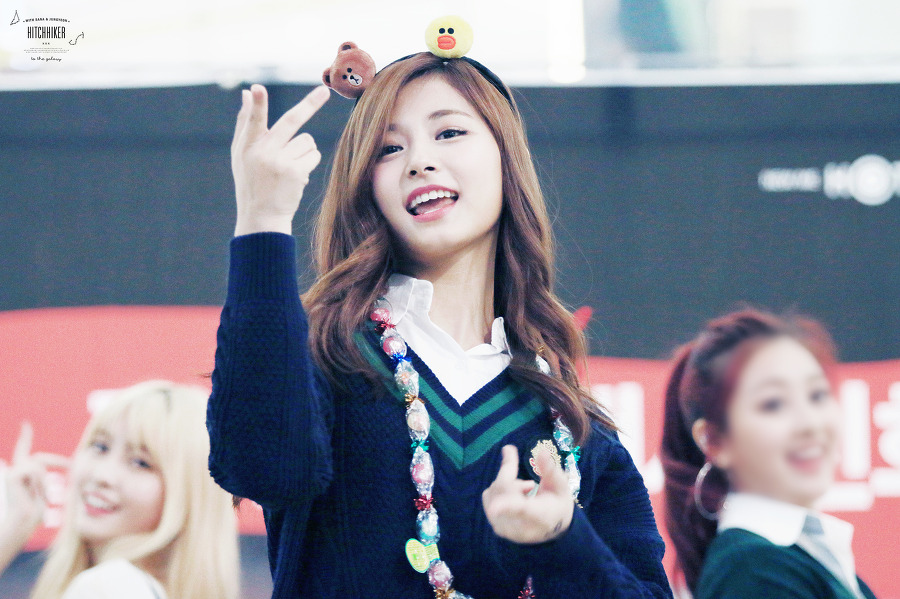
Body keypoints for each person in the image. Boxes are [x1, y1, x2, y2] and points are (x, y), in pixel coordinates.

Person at [207, 35, 672, 599]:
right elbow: (260, 468)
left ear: (506, 157)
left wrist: (563, 541)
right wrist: (262, 220)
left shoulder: (575, 429)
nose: (420, 161)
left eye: (449, 132)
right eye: (388, 148)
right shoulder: (327, 355)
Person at [661, 309, 878, 598]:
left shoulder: (791, 558)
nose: (810, 424)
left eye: (817, 395)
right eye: (773, 404)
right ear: (714, 440)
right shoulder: (752, 572)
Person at [0, 380, 240, 599]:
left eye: (140, 463)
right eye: (100, 447)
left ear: (188, 496)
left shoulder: (108, 586)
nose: (102, 476)